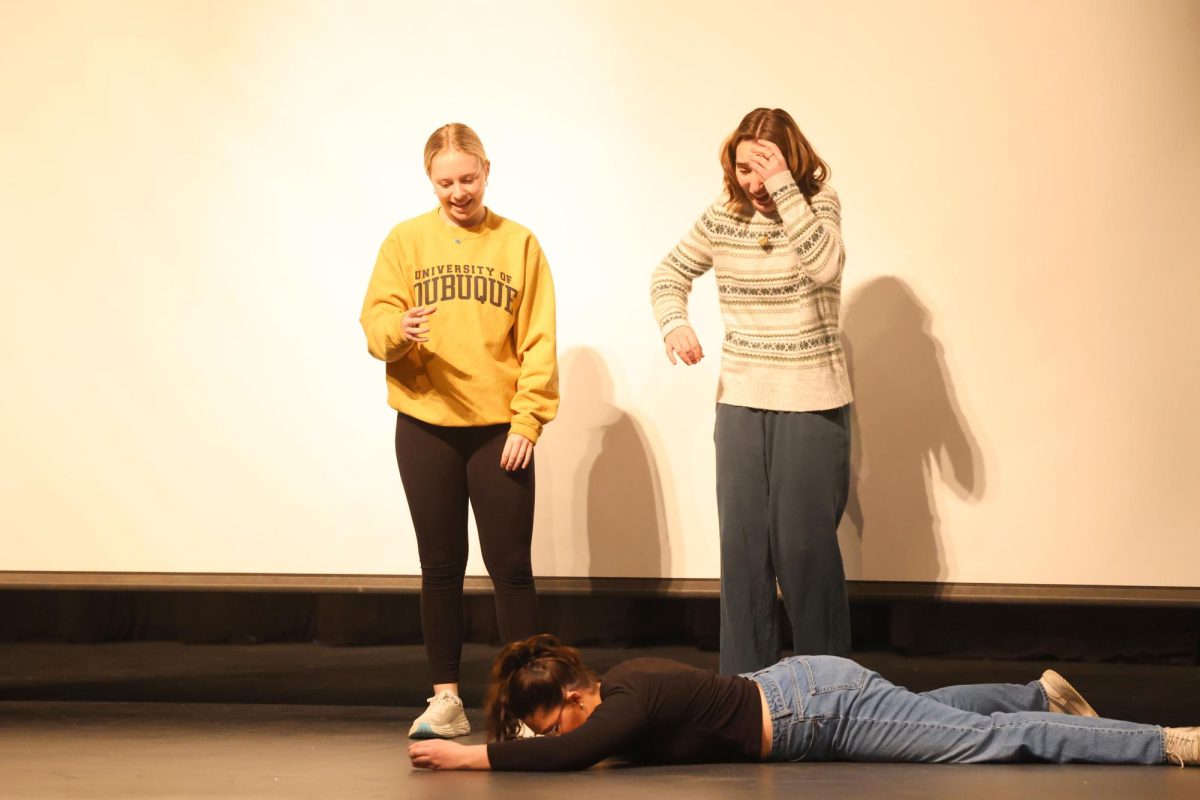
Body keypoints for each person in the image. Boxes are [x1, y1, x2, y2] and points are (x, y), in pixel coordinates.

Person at [360, 123, 558, 740]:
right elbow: (376, 321)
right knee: (440, 566)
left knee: (511, 568)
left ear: (487, 170)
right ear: (431, 180)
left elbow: (539, 341)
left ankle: (531, 707)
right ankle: (446, 699)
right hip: (425, 424)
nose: (458, 192)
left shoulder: (519, 244)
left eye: (467, 179)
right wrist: (399, 330)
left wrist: (528, 420)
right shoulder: (406, 240)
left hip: (500, 427)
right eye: (445, 182)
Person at [649, 108, 853, 674]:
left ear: (790, 162)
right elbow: (668, 274)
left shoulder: (818, 204)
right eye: (744, 169)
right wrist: (675, 323)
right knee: (742, 552)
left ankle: (830, 690)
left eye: (766, 167)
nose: (754, 183)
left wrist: (787, 189)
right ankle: (747, 690)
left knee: (804, 551)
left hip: (811, 399)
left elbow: (826, 265)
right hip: (740, 398)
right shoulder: (723, 215)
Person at [408, 634, 1199, 770]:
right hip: (810, 697)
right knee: (932, 713)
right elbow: (567, 742)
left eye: (555, 715)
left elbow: (573, 753)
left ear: (577, 692)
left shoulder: (628, 695)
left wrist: (470, 754)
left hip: (819, 710)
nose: (560, 732)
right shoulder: (616, 689)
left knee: (987, 743)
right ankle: (1034, 692)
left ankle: (1164, 743)